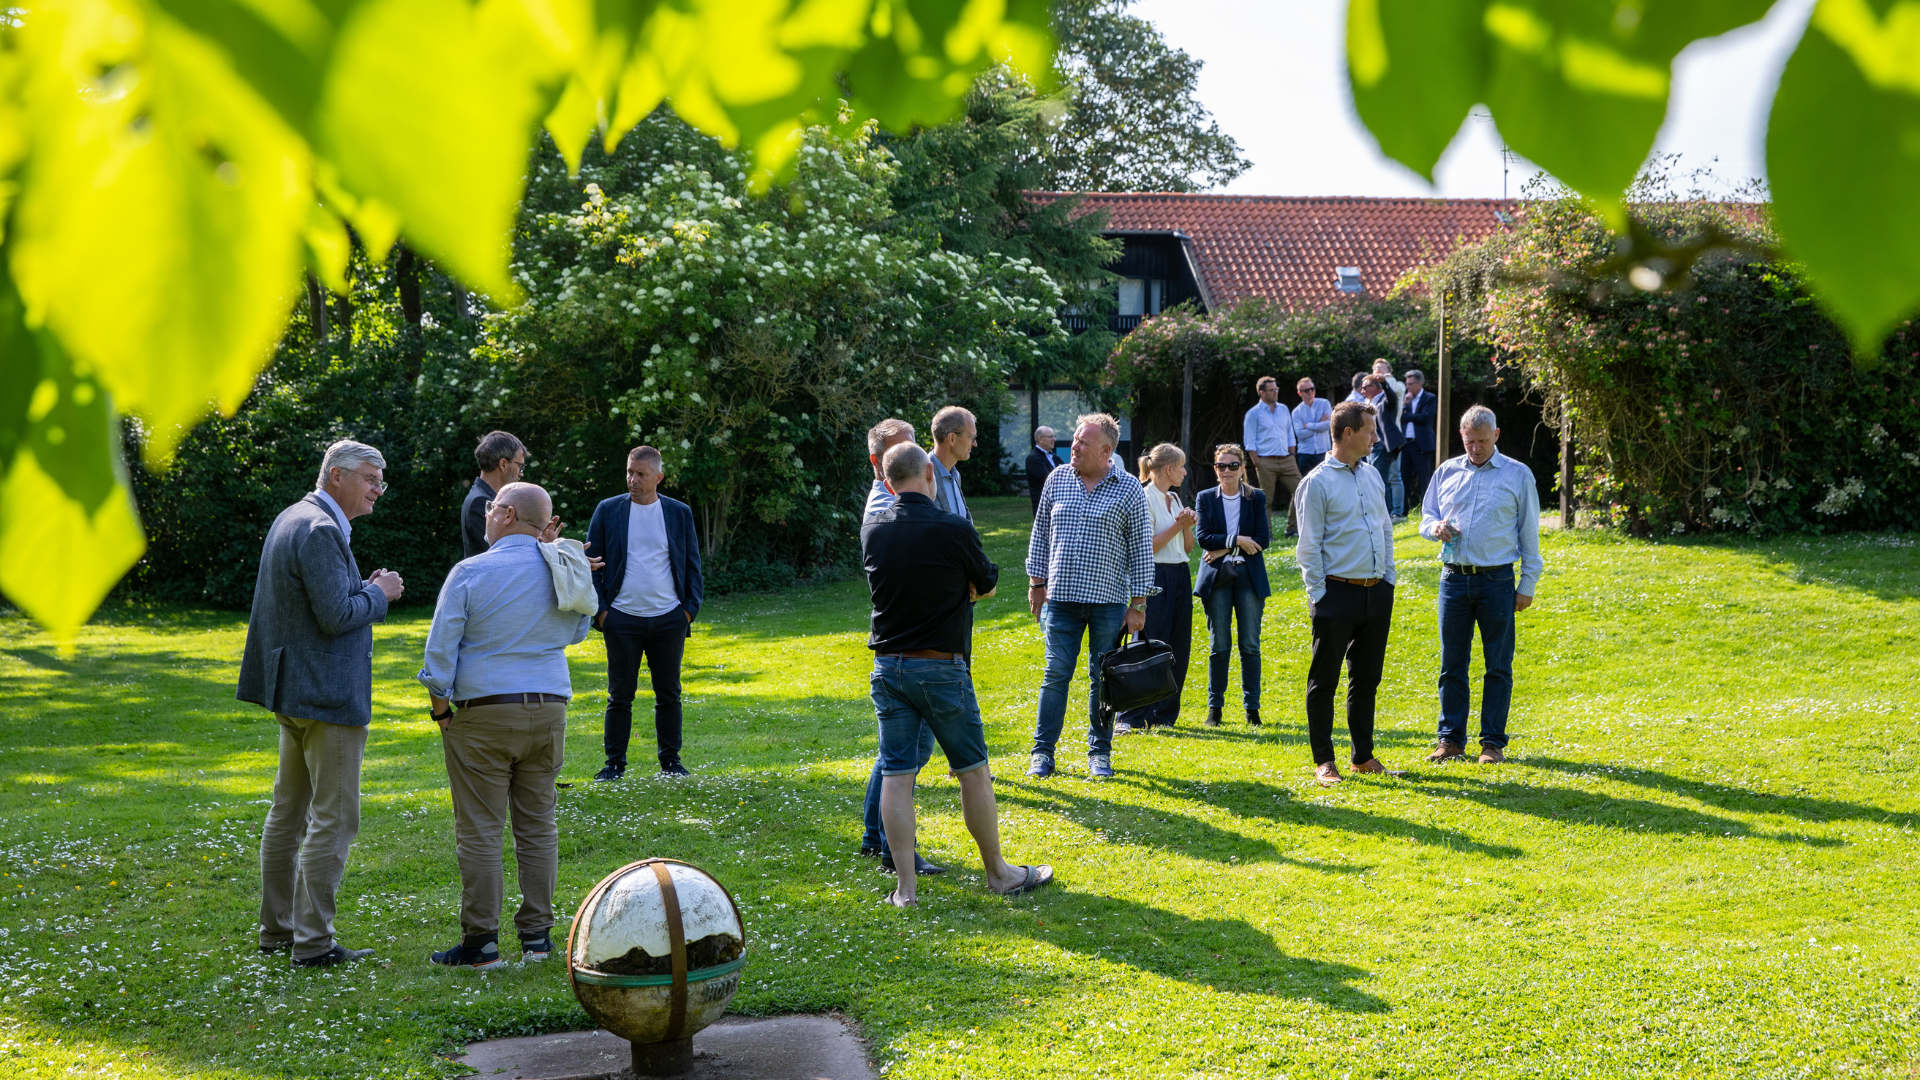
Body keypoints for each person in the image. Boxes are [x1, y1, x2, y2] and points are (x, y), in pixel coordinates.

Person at [864, 442, 1054, 906]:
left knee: (896, 774)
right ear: (930, 473)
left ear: (888, 483)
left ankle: (905, 890)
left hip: (888, 666)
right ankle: (1000, 874)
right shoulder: (952, 527)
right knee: (972, 771)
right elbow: (986, 582)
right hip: (941, 666)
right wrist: (960, 589)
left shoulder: (874, 528)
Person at [238, 439, 405, 968]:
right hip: (325, 697)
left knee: (287, 812)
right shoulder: (320, 529)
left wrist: (364, 587)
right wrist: (381, 593)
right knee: (333, 818)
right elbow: (336, 615)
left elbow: (317, 607)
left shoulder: (294, 517)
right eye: (371, 478)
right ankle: (312, 944)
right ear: (336, 476)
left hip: (293, 691)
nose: (379, 488)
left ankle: (278, 931)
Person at [418, 482, 589, 969]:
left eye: (491, 508)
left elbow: (439, 651)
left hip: (485, 710)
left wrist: (440, 709)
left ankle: (481, 944)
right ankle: (537, 938)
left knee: (480, 830)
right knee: (538, 826)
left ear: (507, 515)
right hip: (549, 707)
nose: (486, 514)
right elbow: (578, 629)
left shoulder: (471, 570)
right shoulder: (564, 565)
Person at [1025, 414, 1154, 780]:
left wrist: (1139, 604)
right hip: (1061, 600)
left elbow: (1141, 550)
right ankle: (1042, 753)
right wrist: (1037, 583)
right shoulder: (1058, 479)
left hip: (1108, 602)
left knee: (1103, 679)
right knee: (1055, 674)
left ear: (1105, 450)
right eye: (1074, 440)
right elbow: (1040, 535)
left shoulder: (1128, 488)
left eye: (1082, 443)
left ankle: (1100, 753)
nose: (1073, 447)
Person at [1418, 405, 1543, 765]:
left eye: (1483, 442)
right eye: (1470, 441)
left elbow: (1529, 535)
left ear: (1497, 436)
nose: (1475, 448)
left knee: (1498, 666)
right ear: (1462, 437)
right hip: (1453, 579)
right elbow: (1426, 516)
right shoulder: (1446, 471)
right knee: (1451, 664)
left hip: (1498, 580)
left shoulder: (1518, 475)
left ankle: (1492, 744)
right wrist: (1435, 528)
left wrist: (1527, 584)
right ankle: (1451, 740)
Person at [585, 446, 704, 780]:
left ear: (659, 478)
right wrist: (603, 613)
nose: (632, 480)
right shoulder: (608, 511)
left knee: (669, 693)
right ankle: (614, 765)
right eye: (629, 472)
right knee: (619, 695)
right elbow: (590, 567)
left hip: (670, 618)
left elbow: (693, 566)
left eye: (640, 474)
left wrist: (688, 612)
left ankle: (671, 763)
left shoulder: (679, 513)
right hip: (621, 618)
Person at [1294, 402, 1397, 786]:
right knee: (1325, 681)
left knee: (1367, 678)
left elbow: (1384, 528)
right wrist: (1320, 595)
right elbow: (1308, 546)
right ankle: (1324, 762)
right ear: (1349, 433)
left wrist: (1388, 580)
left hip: (1376, 592)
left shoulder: (1372, 476)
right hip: (1336, 593)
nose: (1375, 437)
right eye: (1370, 430)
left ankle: (1363, 756)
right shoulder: (1316, 482)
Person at [1114, 444, 1196, 733]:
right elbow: (1147, 547)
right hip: (1155, 574)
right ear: (1168, 469)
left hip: (1180, 574)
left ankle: (1164, 714)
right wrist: (1178, 525)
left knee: (1178, 644)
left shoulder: (1173, 497)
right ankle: (1131, 716)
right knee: (1149, 644)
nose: (1185, 472)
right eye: (1181, 466)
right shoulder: (1143, 496)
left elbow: (1188, 547)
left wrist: (1186, 526)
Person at [1194, 443, 1271, 728]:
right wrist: (1237, 541)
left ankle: (1252, 709)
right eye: (1220, 466)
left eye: (1232, 465)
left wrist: (1223, 546)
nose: (1226, 470)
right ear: (1215, 469)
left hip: (1249, 577)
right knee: (1219, 644)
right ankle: (1215, 709)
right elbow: (1203, 538)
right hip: (1217, 578)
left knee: (1250, 644)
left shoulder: (1256, 497)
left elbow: (1262, 539)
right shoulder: (1205, 497)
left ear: (1242, 469)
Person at [1243, 376, 1303, 538]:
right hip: (1265, 461)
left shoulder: (1283, 409)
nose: (1276, 392)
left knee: (1302, 491)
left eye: (1277, 389)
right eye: (1272, 390)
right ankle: (1266, 533)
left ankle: (1292, 529)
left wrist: (1292, 453)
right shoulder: (1253, 414)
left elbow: (1290, 432)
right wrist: (1257, 461)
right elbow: (1249, 441)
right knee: (1265, 500)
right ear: (1262, 392)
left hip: (1287, 459)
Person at [462, 432, 527, 559]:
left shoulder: (484, 497)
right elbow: (504, 554)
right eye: (520, 466)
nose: (521, 474)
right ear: (503, 464)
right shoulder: (480, 501)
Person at [1362, 374, 1407, 519]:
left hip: (1383, 446)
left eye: (1365, 387)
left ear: (1374, 387)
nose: (1362, 391)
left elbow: (1392, 398)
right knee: (1375, 480)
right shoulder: (1367, 403)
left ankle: (1384, 516)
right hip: (1371, 447)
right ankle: (1380, 514)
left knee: (1380, 481)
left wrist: (1385, 383)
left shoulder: (1384, 400)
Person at [930, 406, 976, 523]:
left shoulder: (955, 475)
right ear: (952, 439)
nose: (974, 443)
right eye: (971, 437)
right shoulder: (922, 475)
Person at [1401, 371, 1437, 512]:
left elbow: (1425, 417)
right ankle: (1404, 511)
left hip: (1422, 444)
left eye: (1410, 384)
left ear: (1419, 383)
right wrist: (1404, 405)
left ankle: (1427, 511)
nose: (1408, 387)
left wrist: (1407, 415)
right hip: (1406, 444)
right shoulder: (1406, 399)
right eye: (1406, 384)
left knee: (1424, 478)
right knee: (1404, 478)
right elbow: (1400, 417)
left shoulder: (1429, 398)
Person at [864, 418, 916, 517]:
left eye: (911, 450)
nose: (907, 459)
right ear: (875, 460)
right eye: (896, 453)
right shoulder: (882, 512)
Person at [1293, 377, 1331, 477]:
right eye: (1306, 390)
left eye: (1312, 389)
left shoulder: (1324, 403)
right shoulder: (1296, 412)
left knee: (1326, 483)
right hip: (1305, 453)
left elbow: (1328, 425)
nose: (1310, 392)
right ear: (1299, 393)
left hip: (1323, 451)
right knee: (1307, 484)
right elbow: (1300, 435)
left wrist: (1309, 426)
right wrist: (1319, 423)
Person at [1025, 427, 1058, 513]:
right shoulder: (1033, 458)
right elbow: (1048, 479)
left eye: (1054, 436)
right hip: (1042, 506)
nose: (1054, 439)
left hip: (1056, 504)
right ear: (1040, 439)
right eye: (1050, 437)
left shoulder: (1054, 457)